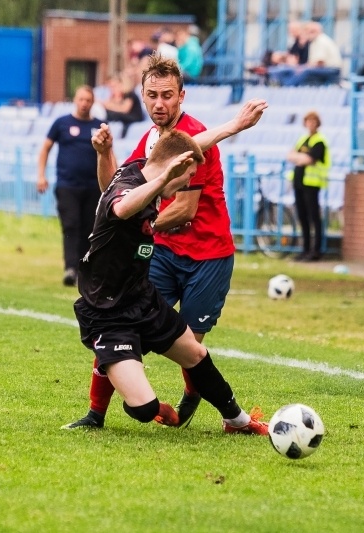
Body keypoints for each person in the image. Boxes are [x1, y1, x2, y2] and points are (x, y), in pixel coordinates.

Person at [62, 54, 267, 430]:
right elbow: (118, 197)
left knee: (192, 346)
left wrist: (234, 125)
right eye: (152, 95)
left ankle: (222, 413)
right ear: (142, 95)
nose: (159, 103)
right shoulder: (151, 144)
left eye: (167, 95)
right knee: (133, 353)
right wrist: (106, 155)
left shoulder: (186, 141)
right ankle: (99, 413)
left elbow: (184, 209)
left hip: (206, 255)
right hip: (149, 263)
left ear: (181, 96)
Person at [37, 86, 104, 287]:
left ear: (92, 103)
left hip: (92, 186)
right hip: (67, 185)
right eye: (81, 99)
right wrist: (41, 175)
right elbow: (45, 148)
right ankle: (70, 268)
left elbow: (108, 154)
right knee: (71, 225)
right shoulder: (62, 123)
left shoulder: (99, 126)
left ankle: (83, 269)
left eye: (88, 100)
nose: (84, 103)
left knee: (88, 229)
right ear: (75, 100)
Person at [286, 110, 329, 261]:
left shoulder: (320, 141)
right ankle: (305, 250)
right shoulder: (302, 139)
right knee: (302, 217)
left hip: (311, 184)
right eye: (308, 121)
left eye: (313, 121)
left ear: (317, 124)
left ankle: (315, 251)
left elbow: (309, 159)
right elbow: (290, 155)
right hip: (299, 183)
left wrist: (299, 158)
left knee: (313, 218)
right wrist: (300, 157)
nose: (310, 124)